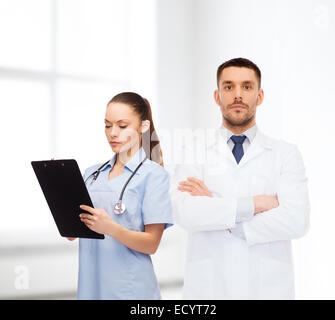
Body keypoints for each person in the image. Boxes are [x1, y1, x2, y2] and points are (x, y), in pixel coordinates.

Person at [171, 57, 310, 299]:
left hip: (267, 289)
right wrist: (256, 204)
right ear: (217, 96)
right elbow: (185, 213)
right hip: (208, 291)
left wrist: (215, 206)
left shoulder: (285, 154)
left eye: (247, 87)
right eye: (228, 87)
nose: (238, 95)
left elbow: (297, 220)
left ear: (260, 95)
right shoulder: (194, 150)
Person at [68, 92, 173, 300]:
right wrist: (59, 192)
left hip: (130, 290)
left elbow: (151, 244)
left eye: (122, 126)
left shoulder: (154, 175)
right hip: (91, 287)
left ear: (143, 127)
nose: (112, 133)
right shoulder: (91, 174)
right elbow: (72, 233)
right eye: (107, 125)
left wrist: (111, 228)